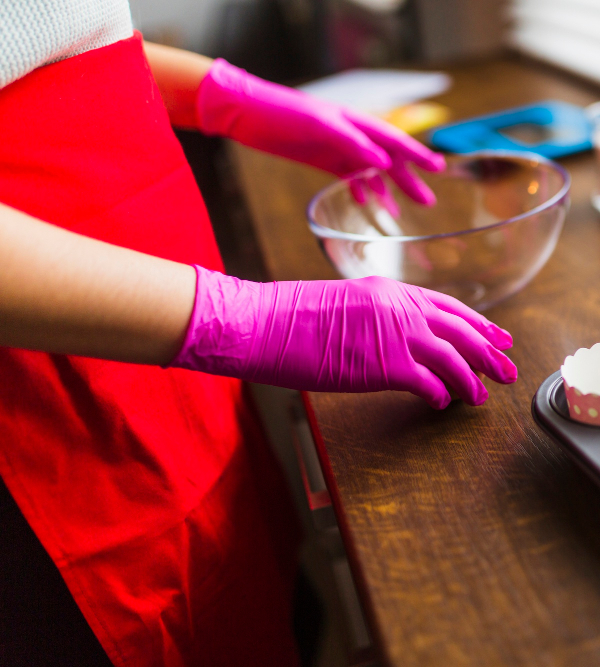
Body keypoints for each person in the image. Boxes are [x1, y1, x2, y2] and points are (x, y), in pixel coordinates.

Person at [0, 2, 517, 665]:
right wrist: (246, 318)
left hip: (162, 325)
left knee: (248, 589)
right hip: (42, 400)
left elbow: (52, 46)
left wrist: (233, 99)